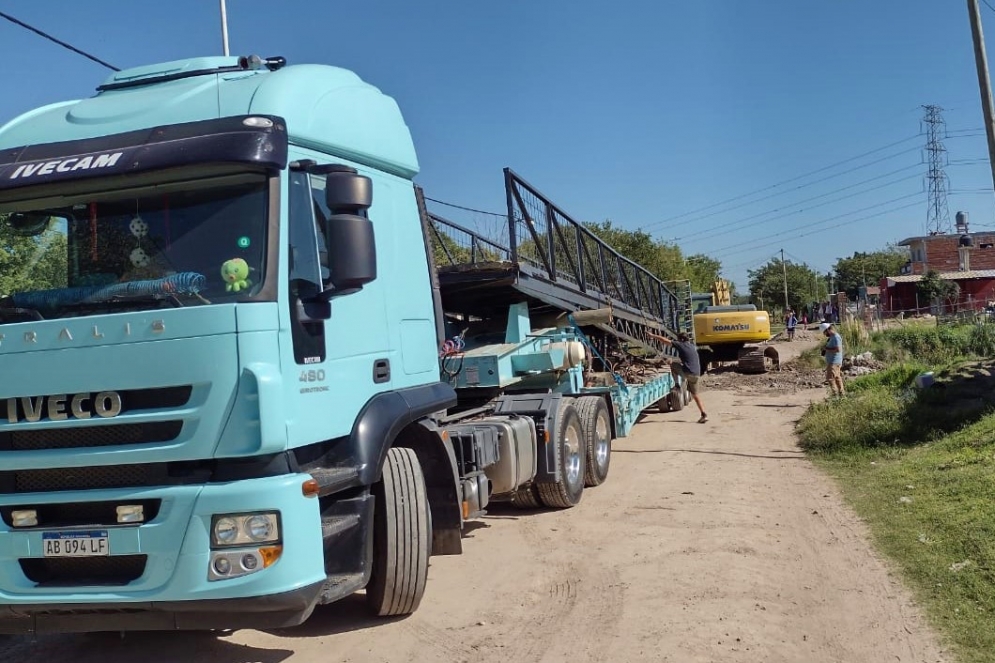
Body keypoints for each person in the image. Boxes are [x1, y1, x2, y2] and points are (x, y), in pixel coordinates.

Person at [647, 331, 708, 423]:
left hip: (688, 373)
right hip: (696, 374)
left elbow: (665, 340)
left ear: (681, 339)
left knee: (672, 363)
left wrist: (653, 335)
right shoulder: (692, 346)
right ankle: (704, 414)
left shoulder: (680, 344)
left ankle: (677, 385)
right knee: (695, 395)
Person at [820, 322, 845, 397]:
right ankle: (842, 395)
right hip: (834, 361)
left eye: (825, 332)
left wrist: (826, 348)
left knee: (830, 378)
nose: (825, 334)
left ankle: (835, 395)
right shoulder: (832, 337)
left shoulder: (835, 337)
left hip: (834, 362)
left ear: (827, 330)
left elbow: (838, 349)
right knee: (837, 378)